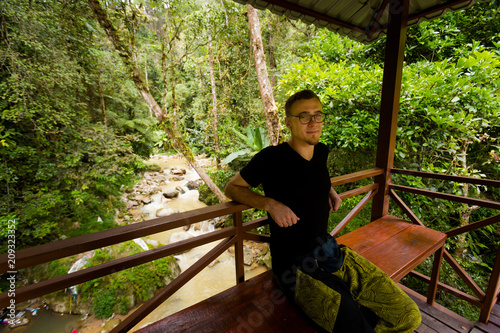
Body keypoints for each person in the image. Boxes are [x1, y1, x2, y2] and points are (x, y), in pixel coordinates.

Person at [225, 89, 421, 332]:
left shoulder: (321, 152)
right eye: (304, 116)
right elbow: (232, 187)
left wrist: (329, 190)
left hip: (329, 252)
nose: (313, 123)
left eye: (317, 115)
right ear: (288, 122)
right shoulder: (271, 158)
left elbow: (315, 177)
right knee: (353, 323)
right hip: (292, 267)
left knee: (408, 315)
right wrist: (270, 203)